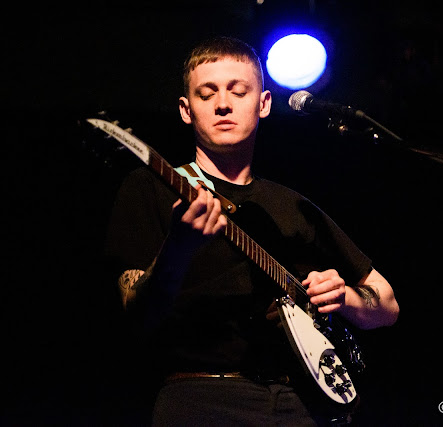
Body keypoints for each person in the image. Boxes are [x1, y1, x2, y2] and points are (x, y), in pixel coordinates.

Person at [105, 36, 399, 426]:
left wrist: (343, 296)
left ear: (263, 104)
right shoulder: (151, 187)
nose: (223, 104)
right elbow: (135, 312)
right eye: (206, 94)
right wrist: (179, 247)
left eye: (238, 91)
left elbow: (388, 305)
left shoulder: (294, 204)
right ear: (185, 110)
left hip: (304, 403)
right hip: (201, 398)